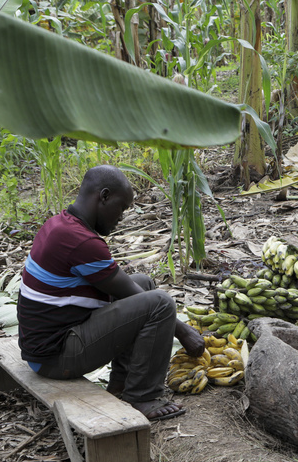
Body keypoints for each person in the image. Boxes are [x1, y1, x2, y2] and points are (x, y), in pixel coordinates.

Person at [17, 165, 205, 422]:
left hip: (49, 345)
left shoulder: (61, 224)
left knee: (145, 285)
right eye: (122, 207)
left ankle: (121, 385)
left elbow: (130, 290)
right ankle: (142, 396)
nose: (121, 217)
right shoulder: (80, 241)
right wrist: (183, 332)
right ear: (104, 196)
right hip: (54, 357)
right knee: (160, 303)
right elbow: (133, 295)